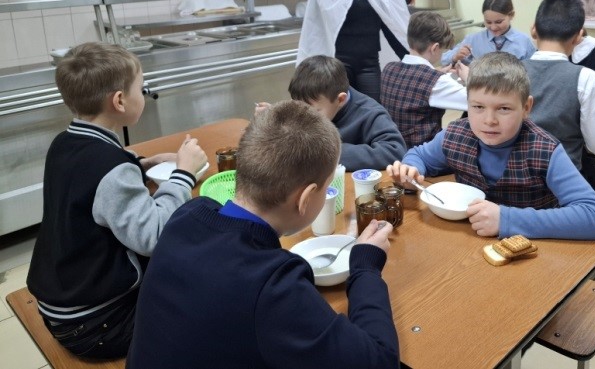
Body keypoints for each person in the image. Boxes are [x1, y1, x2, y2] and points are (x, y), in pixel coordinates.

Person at [126, 101, 399, 369]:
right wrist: (365, 268)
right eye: (326, 186)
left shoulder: (186, 215)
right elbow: (380, 361)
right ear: (305, 199)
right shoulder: (273, 287)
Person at [26, 42, 207, 359]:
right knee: (209, 302)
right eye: (142, 88)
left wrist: (141, 165)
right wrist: (184, 175)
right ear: (120, 101)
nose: (144, 94)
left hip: (64, 304)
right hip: (98, 325)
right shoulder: (111, 170)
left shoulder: (63, 143)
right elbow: (154, 236)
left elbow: (90, 179)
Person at [387, 52, 595, 241]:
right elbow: (419, 156)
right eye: (478, 107)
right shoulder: (455, 134)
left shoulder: (545, 150)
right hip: (468, 247)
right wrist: (411, 170)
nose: (489, 120)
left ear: (526, 107)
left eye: (504, 109)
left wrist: (506, 219)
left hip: (532, 254)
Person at [524, 0, 595, 171]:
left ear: (533, 30)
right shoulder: (586, 78)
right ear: (578, 37)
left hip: (510, 176)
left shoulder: (510, 71)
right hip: (561, 180)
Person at [270, 55, 407, 172]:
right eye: (299, 107)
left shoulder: (369, 113)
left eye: (314, 111)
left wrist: (326, 152)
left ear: (340, 99)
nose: (304, 117)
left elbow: (394, 151)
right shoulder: (315, 102)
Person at [381, 11, 469, 148]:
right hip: (422, 153)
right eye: (443, 51)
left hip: (391, 147)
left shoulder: (389, 68)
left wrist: (435, 73)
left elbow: (414, 81)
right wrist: (469, 78)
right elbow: (478, 102)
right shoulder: (436, 82)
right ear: (435, 48)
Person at [441, 0, 536, 67]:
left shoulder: (524, 42)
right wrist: (455, 57)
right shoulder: (473, 39)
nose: (493, 27)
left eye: (499, 22)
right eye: (488, 22)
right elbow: (443, 59)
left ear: (511, 15)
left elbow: (535, 69)